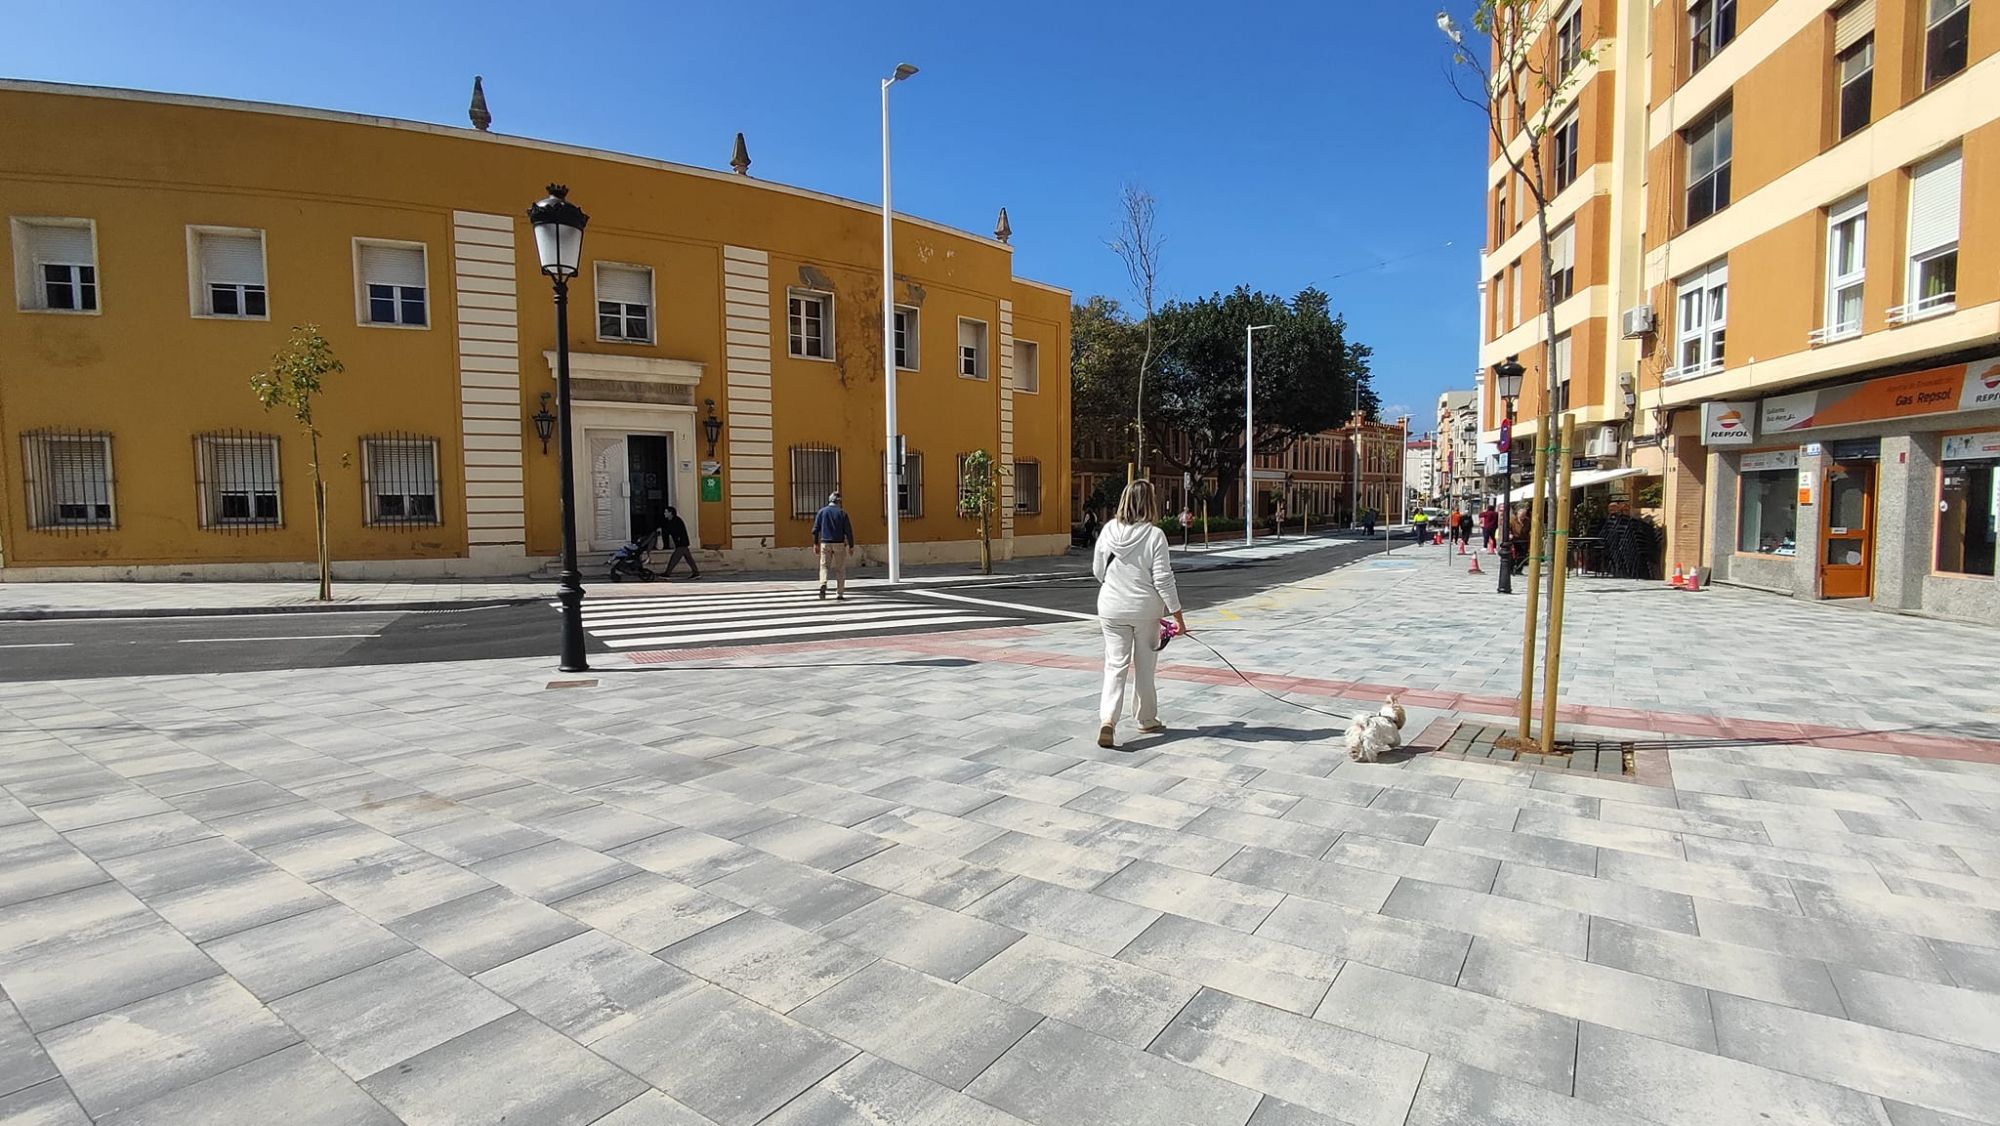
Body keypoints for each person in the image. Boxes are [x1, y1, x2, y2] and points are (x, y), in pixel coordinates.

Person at [1092, 479, 1185, 749]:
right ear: (1150, 504)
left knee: (1115, 665)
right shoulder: (1155, 535)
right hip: (1145, 609)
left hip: (1110, 606)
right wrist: (1178, 617)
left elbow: (1099, 570)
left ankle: (1108, 719)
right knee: (1145, 666)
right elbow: (1164, 579)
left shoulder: (1108, 530)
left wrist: (1116, 588)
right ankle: (1146, 718)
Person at [811, 491, 854, 600]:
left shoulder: (822, 512)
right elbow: (848, 531)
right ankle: (839, 593)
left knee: (824, 566)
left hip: (825, 543)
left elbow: (815, 530)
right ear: (838, 501)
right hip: (839, 543)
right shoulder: (842, 513)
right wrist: (851, 545)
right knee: (840, 569)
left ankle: (823, 583)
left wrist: (816, 543)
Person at [660, 506, 698, 578]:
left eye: (666, 512)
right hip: (681, 543)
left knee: (674, 558)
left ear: (670, 513)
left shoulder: (676, 521)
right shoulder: (670, 521)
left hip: (681, 543)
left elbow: (672, 530)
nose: (664, 513)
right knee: (689, 559)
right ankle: (696, 573)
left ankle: (667, 573)